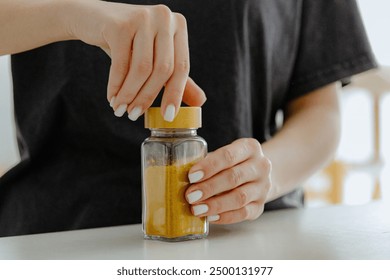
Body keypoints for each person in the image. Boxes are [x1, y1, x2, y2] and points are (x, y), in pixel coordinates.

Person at [0, 0, 376, 237]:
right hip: (62, 234)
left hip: (253, 238)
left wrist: (267, 174)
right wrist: (70, 12)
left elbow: (320, 111)